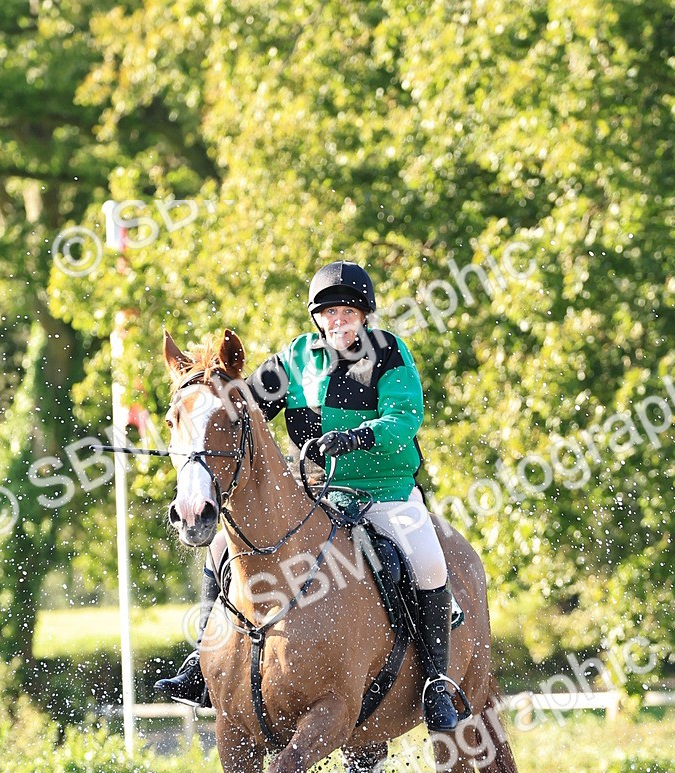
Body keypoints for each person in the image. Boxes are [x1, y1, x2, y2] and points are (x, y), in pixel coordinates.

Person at [156, 260, 460, 731]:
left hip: (384, 491)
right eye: (330, 313)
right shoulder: (296, 358)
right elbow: (240, 406)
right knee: (220, 546)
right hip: (315, 492)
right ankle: (202, 661)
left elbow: (403, 420)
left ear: (364, 315)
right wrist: (200, 418)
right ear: (318, 318)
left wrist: (354, 438)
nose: (339, 321)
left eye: (348, 312)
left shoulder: (389, 353)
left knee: (428, 562)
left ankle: (436, 682)